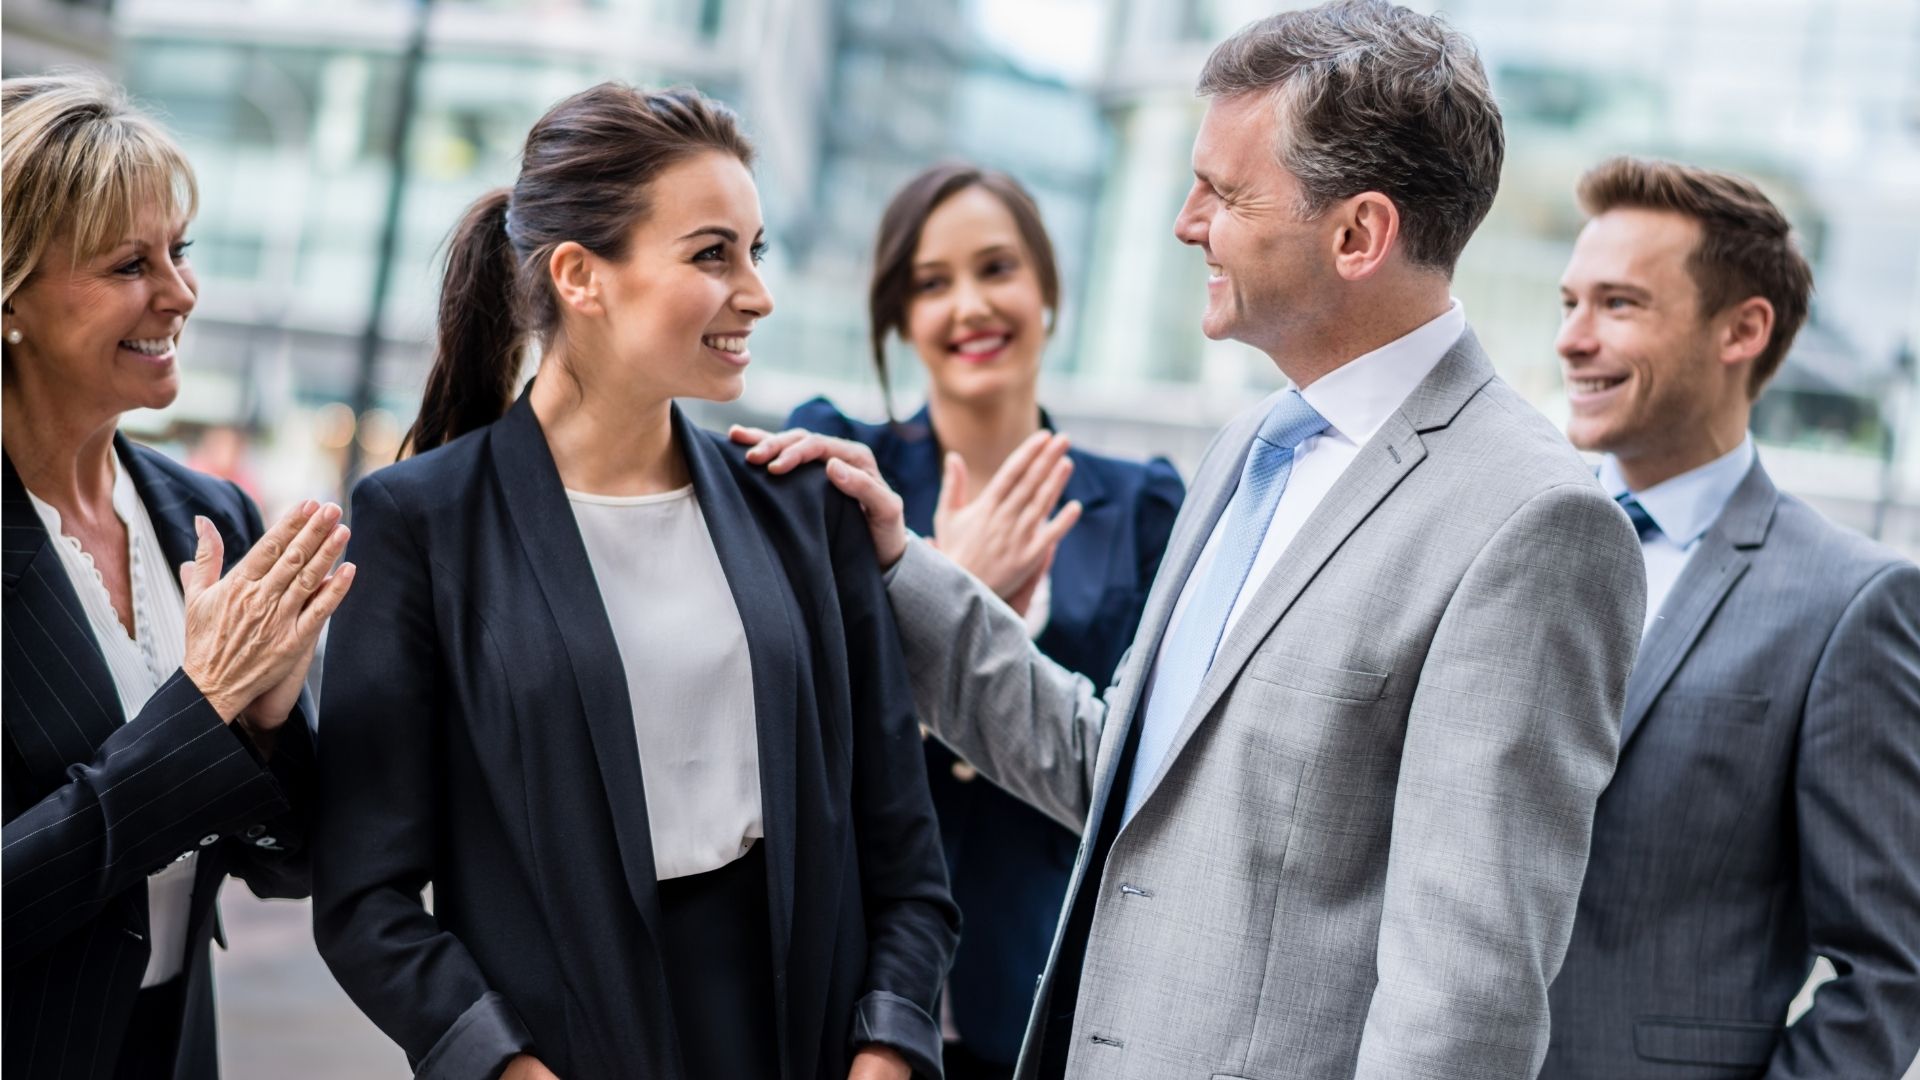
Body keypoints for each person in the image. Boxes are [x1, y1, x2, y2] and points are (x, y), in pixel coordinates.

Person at [734, 2, 1649, 1077]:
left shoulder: (1534, 522)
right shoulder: (1252, 446)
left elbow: (1467, 997)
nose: (1184, 220)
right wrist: (899, 569)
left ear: (1359, 235)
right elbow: (1114, 767)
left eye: (1223, 190)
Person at [311, 83, 958, 1080]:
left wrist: (887, 1048)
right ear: (580, 276)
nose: (757, 292)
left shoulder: (805, 509)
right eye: (713, 253)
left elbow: (905, 855)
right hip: (571, 1050)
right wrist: (504, 1068)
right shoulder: (422, 523)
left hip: (803, 1041)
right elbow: (367, 897)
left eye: (757, 251)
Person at [771, 163, 1184, 1079]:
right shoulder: (840, 474)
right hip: (847, 1001)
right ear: (896, 317)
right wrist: (949, 589)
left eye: (996, 268)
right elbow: (787, 731)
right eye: (930, 283)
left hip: (1044, 1001)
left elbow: (1146, 770)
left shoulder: (1146, 508)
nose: (969, 305)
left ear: (1047, 290)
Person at [2, 74, 350, 1080]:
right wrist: (202, 715)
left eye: (179, 251)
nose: (180, 293)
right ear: (11, 294)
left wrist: (271, 727)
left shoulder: (207, 518)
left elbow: (292, 868)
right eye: (128, 263)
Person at [1543, 157, 1920, 1078]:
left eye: (1619, 304)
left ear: (1742, 329)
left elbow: (1890, 968)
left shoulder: (1849, 603)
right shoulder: (1498, 532)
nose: (1573, 339)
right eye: (1569, 303)